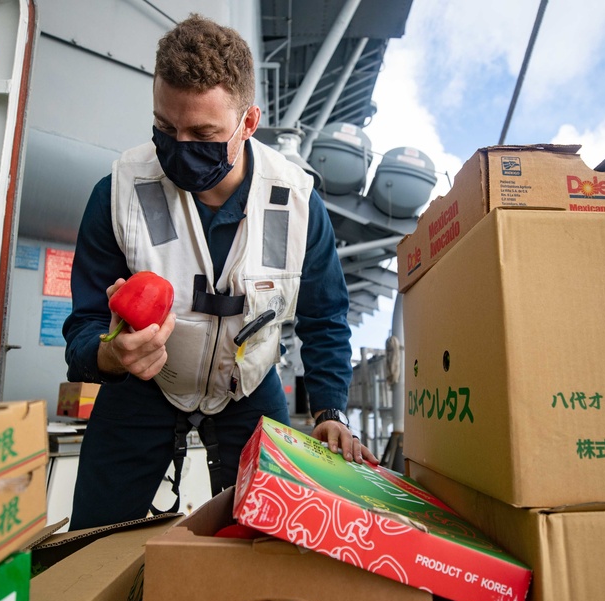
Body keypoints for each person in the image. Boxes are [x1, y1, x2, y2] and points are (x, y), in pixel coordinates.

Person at [63, 14, 376, 529]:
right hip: (143, 388)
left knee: (269, 536)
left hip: (249, 386)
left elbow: (325, 317)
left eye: (203, 133)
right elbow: (83, 324)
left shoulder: (297, 203)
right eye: (165, 128)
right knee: (90, 537)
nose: (180, 145)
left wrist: (330, 412)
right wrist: (109, 355)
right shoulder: (119, 192)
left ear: (248, 122)